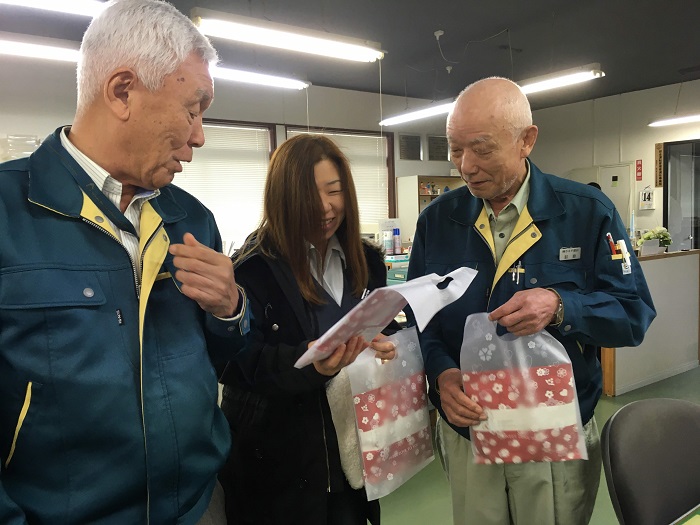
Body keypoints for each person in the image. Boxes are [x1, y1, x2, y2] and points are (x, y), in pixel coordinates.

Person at [0, 1, 249, 523]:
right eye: (192, 108)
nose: (200, 135)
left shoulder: (192, 220)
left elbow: (230, 363)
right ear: (122, 91)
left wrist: (232, 310)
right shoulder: (7, 213)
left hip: (197, 507)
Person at [407, 77, 656, 525]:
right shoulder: (437, 223)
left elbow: (633, 313)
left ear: (527, 140)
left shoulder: (587, 213)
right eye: (454, 149)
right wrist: (442, 375)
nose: (465, 166)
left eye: (481, 149)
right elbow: (419, 323)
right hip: (471, 431)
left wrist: (562, 306)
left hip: (554, 435)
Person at [218, 134, 398, 525]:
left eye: (334, 191)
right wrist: (313, 363)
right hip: (282, 467)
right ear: (282, 198)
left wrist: (387, 340)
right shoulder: (252, 269)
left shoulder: (366, 260)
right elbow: (236, 363)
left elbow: (384, 322)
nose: (325, 207)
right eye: (308, 194)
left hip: (354, 456)